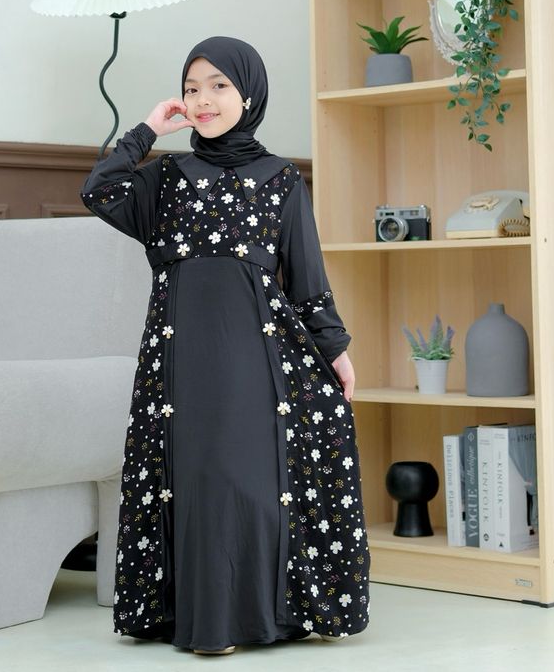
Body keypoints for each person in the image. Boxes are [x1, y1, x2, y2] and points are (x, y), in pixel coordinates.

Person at [80, 35, 370, 655]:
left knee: (245, 478)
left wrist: (335, 350)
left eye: (218, 86)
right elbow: (98, 191)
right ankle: (202, 622)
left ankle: (255, 617)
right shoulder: (166, 178)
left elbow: (307, 279)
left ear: (250, 94)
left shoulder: (281, 179)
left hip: (258, 358)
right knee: (198, 479)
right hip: (180, 361)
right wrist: (147, 130)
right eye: (191, 89)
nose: (202, 100)